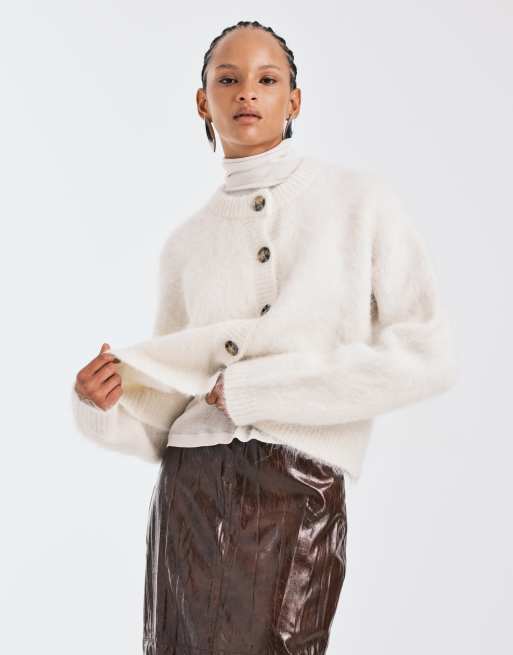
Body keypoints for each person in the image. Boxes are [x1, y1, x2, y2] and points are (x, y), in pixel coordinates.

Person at [71, 20, 458, 655]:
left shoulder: (359, 204)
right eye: (228, 79)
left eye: (267, 79)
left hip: (296, 480)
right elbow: (170, 412)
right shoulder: (185, 245)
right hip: (190, 487)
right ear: (204, 102)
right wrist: (103, 406)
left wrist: (260, 391)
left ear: (293, 99)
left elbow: (428, 357)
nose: (247, 92)